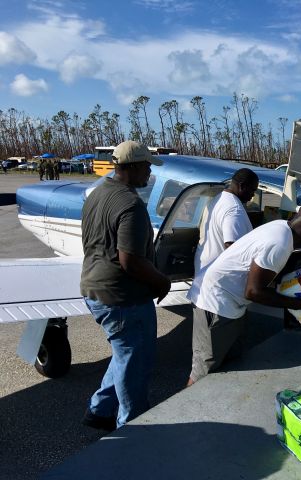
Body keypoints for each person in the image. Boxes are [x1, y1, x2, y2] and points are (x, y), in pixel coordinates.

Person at [188, 200, 301, 384]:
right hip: (215, 302)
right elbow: (254, 292)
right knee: (203, 372)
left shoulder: (282, 227)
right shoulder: (279, 243)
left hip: (232, 302)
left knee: (229, 364)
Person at [80, 140, 171, 431]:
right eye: (146, 166)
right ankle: (131, 430)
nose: (149, 173)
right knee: (136, 361)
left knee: (124, 353)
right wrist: (161, 281)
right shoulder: (130, 204)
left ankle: (100, 410)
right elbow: (130, 260)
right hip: (122, 297)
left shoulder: (98, 192)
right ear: (131, 168)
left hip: (94, 288)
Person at [186, 168, 259, 386]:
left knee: (220, 361)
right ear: (242, 186)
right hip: (217, 297)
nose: (252, 196)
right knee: (203, 369)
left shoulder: (217, 199)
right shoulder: (233, 210)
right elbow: (233, 249)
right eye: (252, 191)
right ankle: (184, 412)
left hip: (212, 288)